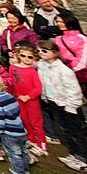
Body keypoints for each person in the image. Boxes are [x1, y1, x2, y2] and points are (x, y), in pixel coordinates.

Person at [36, 40, 87, 171]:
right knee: (65, 130)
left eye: (44, 51)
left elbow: (74, 90)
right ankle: (74, 154)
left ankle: (82, 157)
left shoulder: (64, 70)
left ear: (55, 52)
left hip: (66, 104)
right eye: (39, 51)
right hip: (53, 101)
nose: (41, 53)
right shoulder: (42, 64)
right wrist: (44, 95)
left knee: (75, 131)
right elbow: (43, 80)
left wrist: (71, 106)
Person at [0, 72, 30, 174]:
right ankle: (25, 170)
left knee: (14, 154)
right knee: (23, 152)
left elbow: (0, 117)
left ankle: (17, 171)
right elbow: (17, 109)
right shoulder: (8, 95)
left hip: (10, 133)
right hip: (20, 130)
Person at [8, 42, 47, 156]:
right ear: (18, 55)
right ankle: (31, 140)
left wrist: (28, 96)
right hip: (18, 99)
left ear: (34, 58)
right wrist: (10, 96)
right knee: (24, 120)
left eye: (30, 57)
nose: (26, 59)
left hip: (31, 101)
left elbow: (38, 88)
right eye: (23, 56)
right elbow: (11, 83)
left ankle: (41, 143)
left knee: (36, 122)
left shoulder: (33, 71)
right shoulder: (13, 68)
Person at [54, 12, 87, 92]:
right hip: (64, 73)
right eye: (57, 22)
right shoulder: (58, 38)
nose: (59, 24)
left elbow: (83, 58)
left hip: (80, 74)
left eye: (61, 22)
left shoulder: (82, 38)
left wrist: (72, 70)